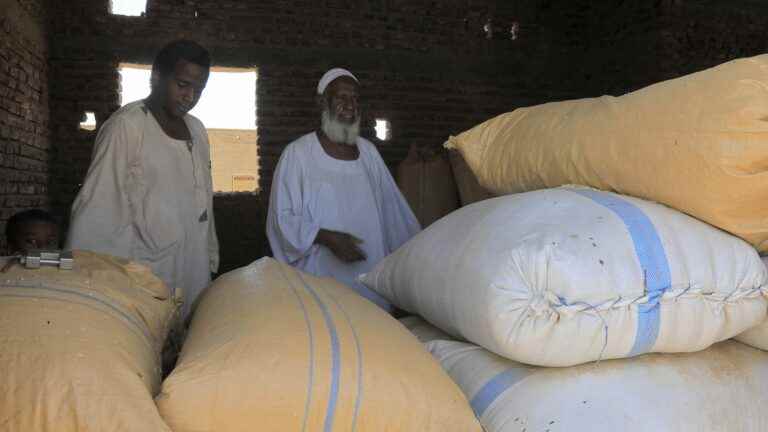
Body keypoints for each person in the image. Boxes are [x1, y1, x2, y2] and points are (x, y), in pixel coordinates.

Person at [66, 40, 219, 320]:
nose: (190, 96)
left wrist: (209, 255)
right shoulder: (127, 127)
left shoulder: (197, 130)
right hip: (145, 273)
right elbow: (98, 207)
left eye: (199, 89)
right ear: (157, 77)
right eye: (182, 85)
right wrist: (93, 285)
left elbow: (204, 202)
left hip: (192, 268)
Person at [267, 68, 420, 311]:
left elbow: (393, 212)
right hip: (321, 288)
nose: (350, 106)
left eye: (355, 99)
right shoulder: (298, 154)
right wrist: (325, 237)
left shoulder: (368, 153)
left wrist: (414, 260)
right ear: (322, 102)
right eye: (341, 98)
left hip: (372, 288)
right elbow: (281, 220)